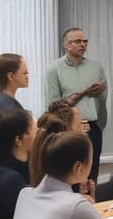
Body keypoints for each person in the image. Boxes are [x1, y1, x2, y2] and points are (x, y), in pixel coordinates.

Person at [44, 27, 107, 182]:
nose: (83, 45)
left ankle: (90, 205)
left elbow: (103, 98)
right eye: (78, 41)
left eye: (85, 41)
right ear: (67, 44)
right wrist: (83, 91)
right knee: (70, 177)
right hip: (67, 130)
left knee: (91, 178)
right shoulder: (54, 69)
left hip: (92, 128)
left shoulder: (96, 67)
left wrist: (97, 123)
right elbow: (52, 106)